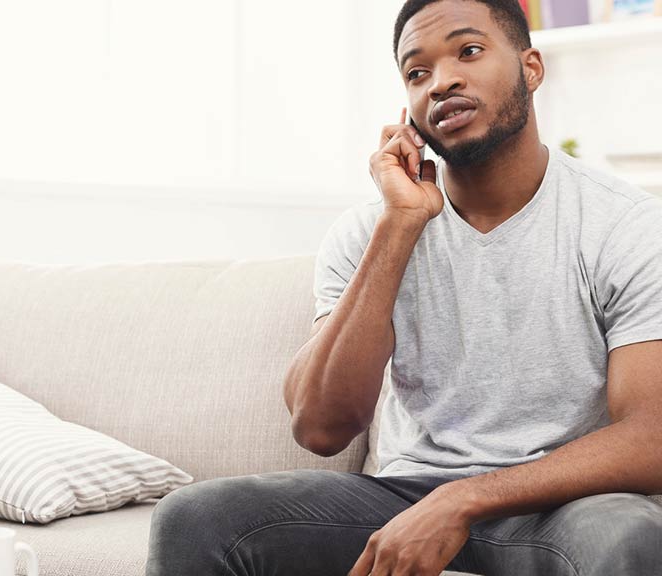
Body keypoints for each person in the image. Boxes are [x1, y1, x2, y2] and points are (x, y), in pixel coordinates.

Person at [144, 0, 662, 574]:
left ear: (531, 68)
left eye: (468, 51)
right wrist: (399, 225)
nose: (442, 82)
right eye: (418, 72)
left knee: (629, 535)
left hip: (559, 505)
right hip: (401, 499)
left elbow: (652, 436)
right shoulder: (371, 231)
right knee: (195, 518)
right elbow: (319, 426)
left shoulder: (626, 225)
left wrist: (464, 498)